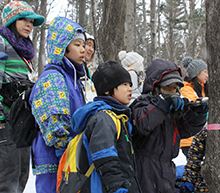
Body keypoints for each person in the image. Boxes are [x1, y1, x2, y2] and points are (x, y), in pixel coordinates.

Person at [130, 58, 206, 193]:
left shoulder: (173, 110)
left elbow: (185, 129)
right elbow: (142, 123)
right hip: (144, 168)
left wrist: (197, 114)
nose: (172, 91)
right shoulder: (143, 103)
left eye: (175, 88)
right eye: (167, 87)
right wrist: (162, 105)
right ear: (155, 86)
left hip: (167, 169)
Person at [29, 16, 86, 193]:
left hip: (69, 156)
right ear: (62, 46)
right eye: (77, 45)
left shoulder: (73, 78)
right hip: (54, 158)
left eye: (83, 45)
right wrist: (68, 150)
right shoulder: (54, 77)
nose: (83, 50)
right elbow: (53, 124)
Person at [69, 61, 141, 192]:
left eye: (130, 84)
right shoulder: (104, 119)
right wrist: (117, 188)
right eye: (124, 84)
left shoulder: (118, 117)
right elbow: (105, 159)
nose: (130, 88)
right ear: (107, 90)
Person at [0, 1, 44, 192]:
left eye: (32, 22)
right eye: (23, 20)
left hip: (20, 122)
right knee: (8, 178)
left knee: (21, 176)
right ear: (11, 21)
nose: (29, 25)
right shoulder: (2, 44)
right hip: (6, 122)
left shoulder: (22, 49)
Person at [180, 56, 208, 156]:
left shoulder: (203, 88)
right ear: (196, 73)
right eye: (204, 71)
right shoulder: (186, 89)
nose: (207, 75)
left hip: (200, 137)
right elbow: (197, 106)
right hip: (189, 140)